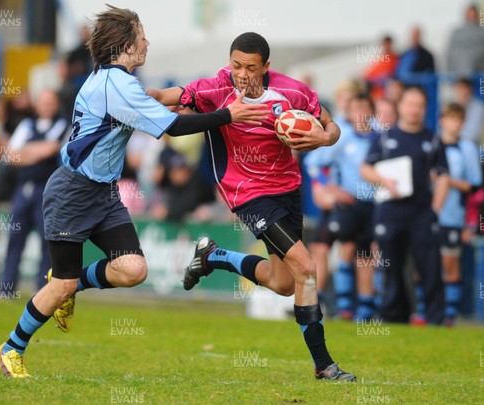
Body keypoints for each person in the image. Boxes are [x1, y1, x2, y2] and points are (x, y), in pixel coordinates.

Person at [0, 5, 268, 378]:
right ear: (126, 45)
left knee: (133, 269)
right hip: (73, 192)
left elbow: (161, 109)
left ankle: (70, 287)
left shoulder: (117, 81)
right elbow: (172, 127)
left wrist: (202, 98)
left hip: (103, 193)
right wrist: (228, 115)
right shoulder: (116, 84)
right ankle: (11, 348)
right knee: (61, 283)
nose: (147, 41)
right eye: (142, 35)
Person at [148, 32, 356, 381]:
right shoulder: (213, 89)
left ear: (266, 67)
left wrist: (324, 136)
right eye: (236, 65)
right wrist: (127, 95)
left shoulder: (293, 92)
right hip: (248, 194)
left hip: (288, 190)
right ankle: (325, 365)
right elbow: (159, 95)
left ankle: (214, 257)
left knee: (284, 283)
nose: (241, 74)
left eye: (250, 67)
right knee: (306, 267)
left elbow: (331, 124)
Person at [361, 86, 450, 325]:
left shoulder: (432, 139)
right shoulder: (386, 138)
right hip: (390, 212)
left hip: (421, 213)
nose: (414, 110)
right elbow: (366, 168)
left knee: (429, 266)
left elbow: (443, 176)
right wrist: (384, 180)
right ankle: (394, 316)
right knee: (391, 266)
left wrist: (435, 210)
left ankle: (435, 318)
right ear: (400, 106)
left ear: (424, 109)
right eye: (409, 104)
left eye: (419, 105)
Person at [307, 94, 377, 321]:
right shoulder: (342, 135)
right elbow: (314, 164)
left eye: (364, 108)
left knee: (364, 254)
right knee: (328, 247)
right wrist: (327, 189)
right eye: (355, 108)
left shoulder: (380, 136)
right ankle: (332, 305)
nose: (360, 114)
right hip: (344, 204)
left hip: (373, 204)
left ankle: (364, 308)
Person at [1, 89, 68, 295]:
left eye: (51, 102)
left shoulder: (63, 124)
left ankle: (42, 289)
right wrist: (35, 152)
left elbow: (52, 148)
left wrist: (26, 151)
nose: (47, 106)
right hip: (24, 188)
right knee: (15, 238)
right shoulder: (27, 124)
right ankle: (7, 287)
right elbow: (10, 155)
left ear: (55, 105)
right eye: (43, 102)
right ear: (37, 105)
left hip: (47, 190)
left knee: (46, 241)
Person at [435, 103, 482, 326]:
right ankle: (428, 312)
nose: (455, 124)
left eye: (459, 119)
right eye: (450, 118)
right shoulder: (431, 144)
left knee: (450, 262)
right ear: (441, 120)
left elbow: (474, 186)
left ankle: (450, 316)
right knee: (425, 263)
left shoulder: (467, 149)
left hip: (453, 215)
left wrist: (447, 180)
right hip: (427, 214)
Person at [446, 4, 484, 76]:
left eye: (473, 14)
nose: (471, 17)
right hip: (460, 76)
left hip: (481, 75)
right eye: (469, 14)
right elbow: (450, 55)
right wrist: (451, 75)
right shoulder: (457, 33)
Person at [363, 36, 399, 101]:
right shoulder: (379, 58)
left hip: (384, 94)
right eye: (384, 45)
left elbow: (389, 76)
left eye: (388, 44)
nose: (386, 47)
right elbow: (367, 74)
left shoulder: (395, 59)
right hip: (373, 93)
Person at [453, 78, 484, 144]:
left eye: (465, 89)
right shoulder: (451, 106)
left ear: (471, 90)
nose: (462, 93)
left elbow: (473, 134)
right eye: (460, 89)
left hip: (472, 145)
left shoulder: (479, 107)